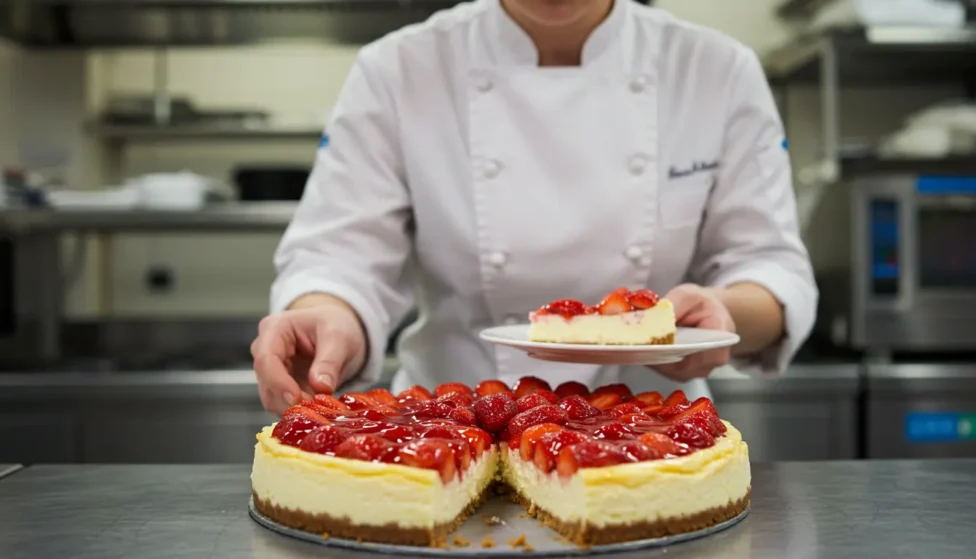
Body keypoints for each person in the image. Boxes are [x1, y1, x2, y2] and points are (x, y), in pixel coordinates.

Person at [250, 0, 818, 415]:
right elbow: (340, 257)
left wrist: (722, 313)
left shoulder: (715, 70)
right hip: (449, 425)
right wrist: (326, 313)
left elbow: (771, 269)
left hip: (654, 431)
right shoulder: (397, 70)